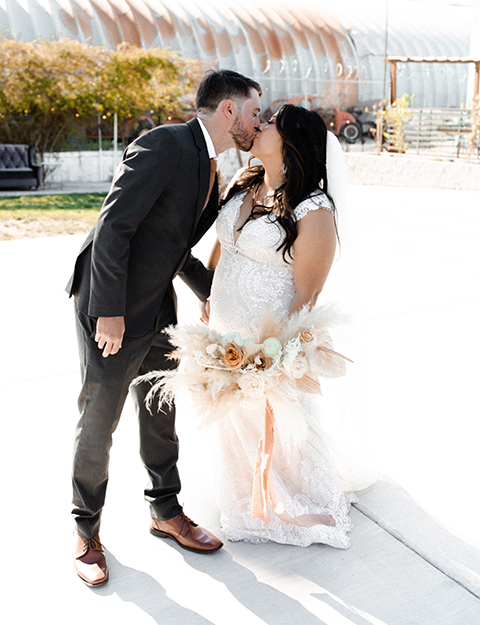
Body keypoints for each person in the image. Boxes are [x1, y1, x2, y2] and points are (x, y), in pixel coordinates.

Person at [66, 69, 262, 586]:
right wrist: (109, 310)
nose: (257, 122)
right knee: (99, 420)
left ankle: (165, 510)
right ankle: (86, 531)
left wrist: (212, 292)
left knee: (159, 409)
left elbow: (174, 242)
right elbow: (115, 225)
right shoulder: (164, 144)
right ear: (228, 110)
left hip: (157, 308)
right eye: (254, 111)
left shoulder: (212, 163)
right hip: (112, 309)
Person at [200, 103, 355, 547]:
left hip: (267, 343)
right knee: (232, 422)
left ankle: (291, 502)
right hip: (223, 334)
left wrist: (277, 355)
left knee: (279, 427)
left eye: (270, 123)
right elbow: (223, 245)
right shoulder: (242, 183)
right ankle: (244, 496)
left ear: (290, 143)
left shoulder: (313, 210)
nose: (259, 125)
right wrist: (209, 293)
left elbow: (308, 296)